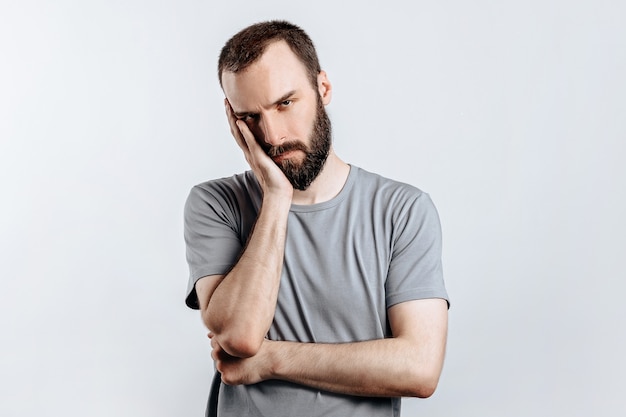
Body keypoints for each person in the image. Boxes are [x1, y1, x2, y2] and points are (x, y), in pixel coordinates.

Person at [183, 20, 449, 417]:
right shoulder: (216, 204)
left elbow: (420, 368)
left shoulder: (402, 210)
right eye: (250, 117)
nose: (272, 136)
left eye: (284, 103)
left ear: (322, 88)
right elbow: (238, 336)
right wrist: (276, 196)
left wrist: (273, 359)